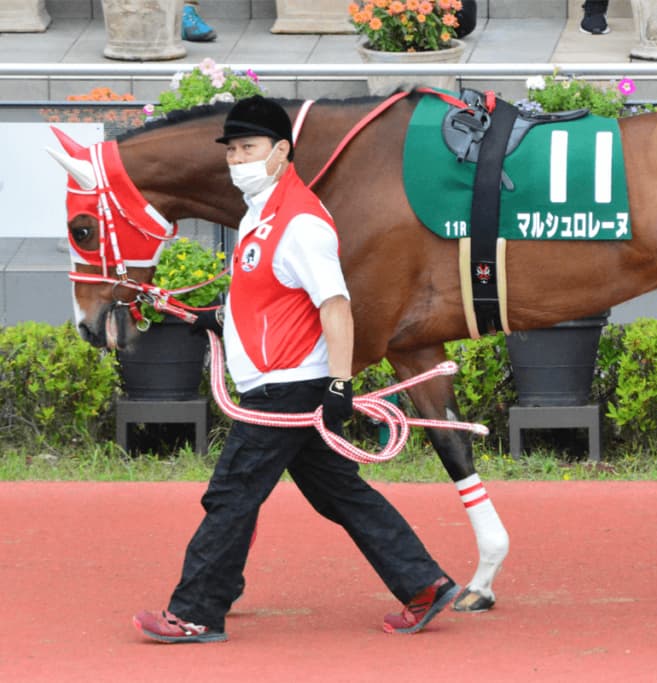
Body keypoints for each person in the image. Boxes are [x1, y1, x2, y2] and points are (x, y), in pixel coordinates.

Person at [132, 95, 459, 643]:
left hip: (287, 387)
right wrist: (218, 318)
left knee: (233, 493)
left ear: (282, 151)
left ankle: (196, 610)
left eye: (249, 148)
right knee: (339, 493)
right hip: (281, 381)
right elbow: (272, 296)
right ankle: (422, 583)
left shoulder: (301, 221)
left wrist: (338, 382)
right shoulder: (260, 214)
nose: (237, 159)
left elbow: (334, 304)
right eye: (232, 150)